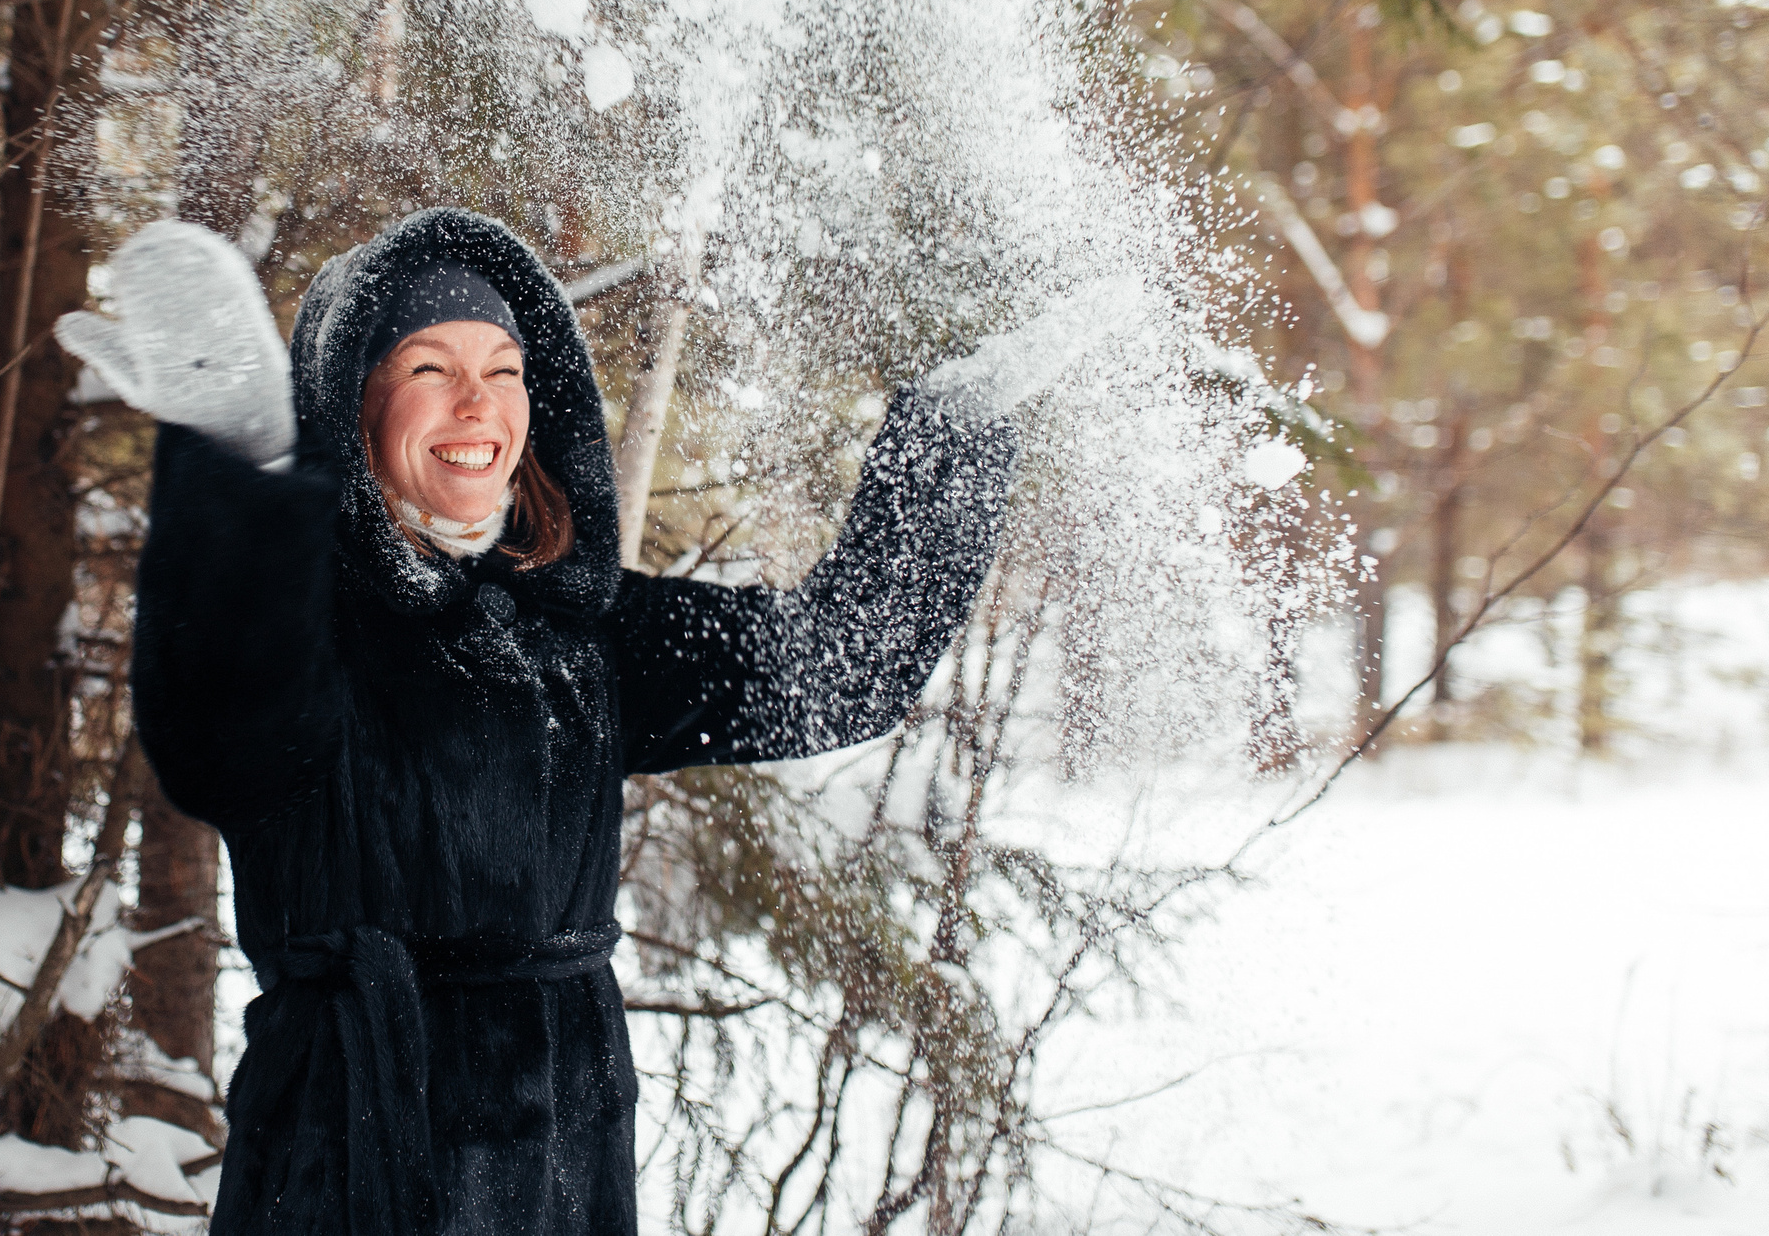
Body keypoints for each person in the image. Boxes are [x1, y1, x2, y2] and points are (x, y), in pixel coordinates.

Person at [60, 206, 1104, 1236]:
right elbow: (217, 733)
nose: (476, 402)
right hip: (352, 1158)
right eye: (428, 368)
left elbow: (833, 672)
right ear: (355, 405)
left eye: (503, 370)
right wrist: (240, 470)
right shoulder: (312, 621)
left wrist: (950, 442)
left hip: (567, 1168)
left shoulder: (579, 633)